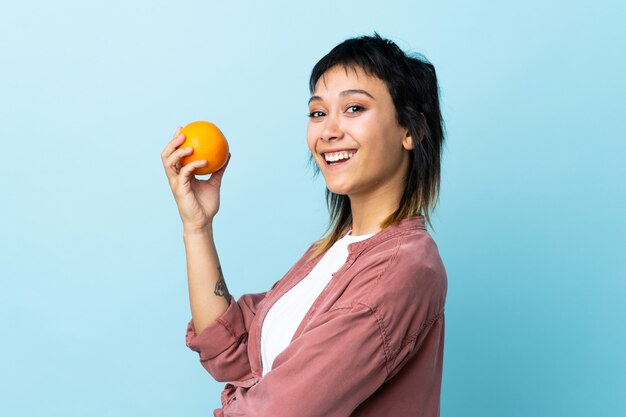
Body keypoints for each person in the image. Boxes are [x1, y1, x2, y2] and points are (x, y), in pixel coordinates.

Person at [161, 32, 447, 417]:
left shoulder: (403, 268)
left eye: (354, 109)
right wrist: (197, 226)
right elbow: (229, 350)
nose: (328, 131)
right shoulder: (332, 254)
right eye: (318, 112)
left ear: (411, 130)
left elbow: (278, 411)